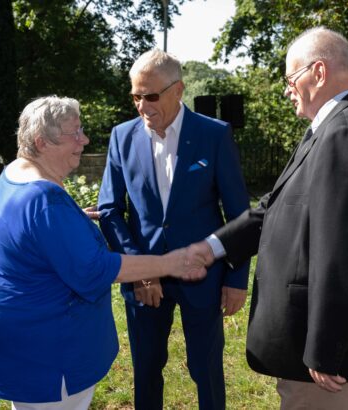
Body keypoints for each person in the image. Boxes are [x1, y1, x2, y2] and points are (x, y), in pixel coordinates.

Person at [188, 27, 348, 409]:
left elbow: (347, 251)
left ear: (318, 72)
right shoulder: (340, 125)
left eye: (289, 78)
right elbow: (277, 204)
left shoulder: (346, 132)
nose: (286, 89)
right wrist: (213, 247)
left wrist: (327, 347)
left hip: (330, 364)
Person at [0, 96, 206, 410]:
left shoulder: (14, 174)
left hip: (20, 340)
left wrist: (73, 219)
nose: (85, 140)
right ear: (42, 142)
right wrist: (169, 263)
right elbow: (94, 270)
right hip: (49, 352)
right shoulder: (46, 202)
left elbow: (31, 234)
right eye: (75, 133)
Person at [97, 49, 250, 410]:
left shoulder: (213, 134)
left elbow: (240, 215)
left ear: (178, 90)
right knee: (146, 369)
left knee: (206, 368)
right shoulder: (122, 137)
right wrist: (140, 272)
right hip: (144, 281)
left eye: (150, 96)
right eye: (135, 96)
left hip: (205, 276)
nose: (141, 105)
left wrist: (236, 278)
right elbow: (110, 210)